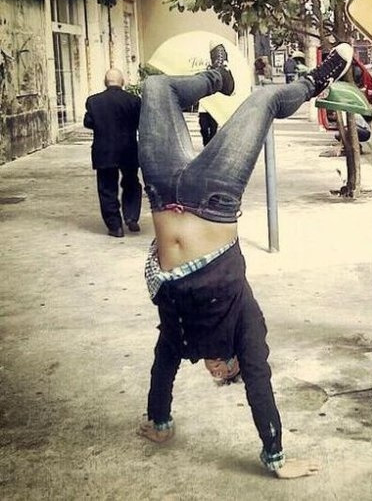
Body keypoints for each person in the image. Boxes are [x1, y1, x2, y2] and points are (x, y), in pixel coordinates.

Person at [136, 41, 354, 478]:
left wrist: (159, 423)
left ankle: (216, 78)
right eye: (227, 371)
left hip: (162, 190)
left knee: (156, 88)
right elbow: (259, 381)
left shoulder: (181, 339)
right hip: (214, 195)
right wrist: (276, 457)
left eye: (216, 375)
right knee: (263, 99)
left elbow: (162, 370)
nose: (218, 371)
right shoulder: (244, 320)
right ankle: (313, 82)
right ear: (234, 360)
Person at [83, 68, 142, 237]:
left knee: (107, 187)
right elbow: (140, 123)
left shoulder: (93, 101)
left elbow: (88, 122)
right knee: (131, 182)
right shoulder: (134, 101)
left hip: (104, 150)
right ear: (122, 82)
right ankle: (131, 217)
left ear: (105, 82)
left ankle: (115, 226)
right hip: (128, 149)